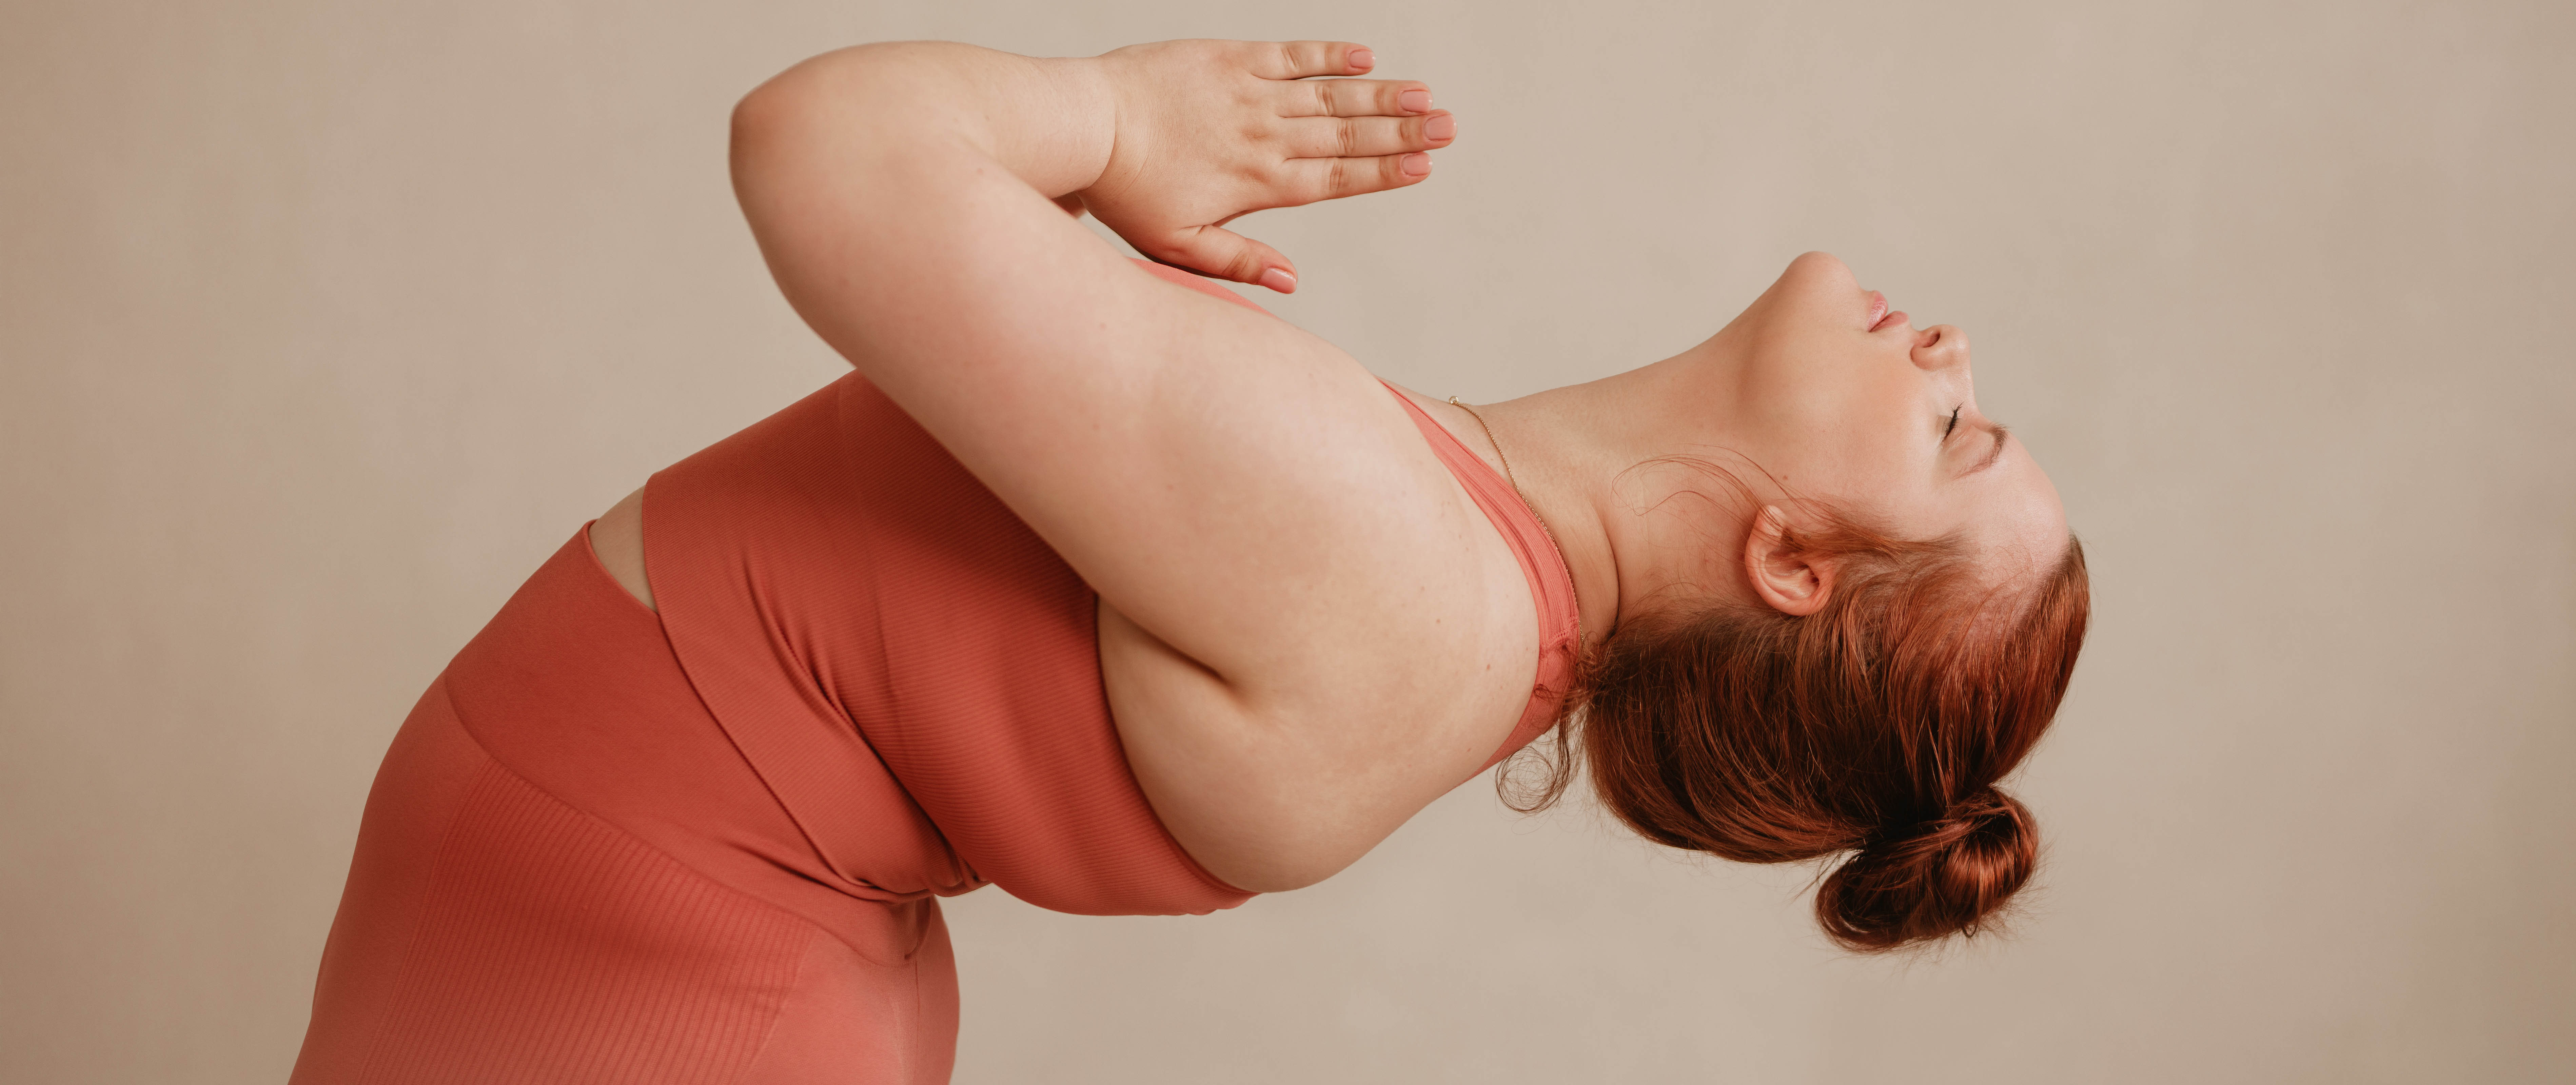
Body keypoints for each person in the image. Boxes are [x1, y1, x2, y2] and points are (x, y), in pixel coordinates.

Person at [287, 37, 2087, 1084]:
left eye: (1959, 441)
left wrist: (1110, 120)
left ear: (1793, 561)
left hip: (652, 969)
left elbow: (823, 149)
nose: (1953, 363)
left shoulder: (1389, 564)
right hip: (682, 952)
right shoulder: (1451, 589)